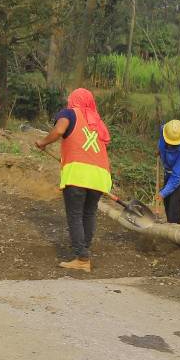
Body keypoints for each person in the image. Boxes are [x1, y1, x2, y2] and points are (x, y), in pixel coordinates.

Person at [35, 88, 112, 273]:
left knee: (75, 215)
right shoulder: (97, 121)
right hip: (100, 175)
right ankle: (84, 250)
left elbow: (60, 130)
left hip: (78, 173)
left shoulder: (69, 112)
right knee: (89, 214)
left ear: (73, 100)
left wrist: (43, 142)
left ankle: (82, 258)